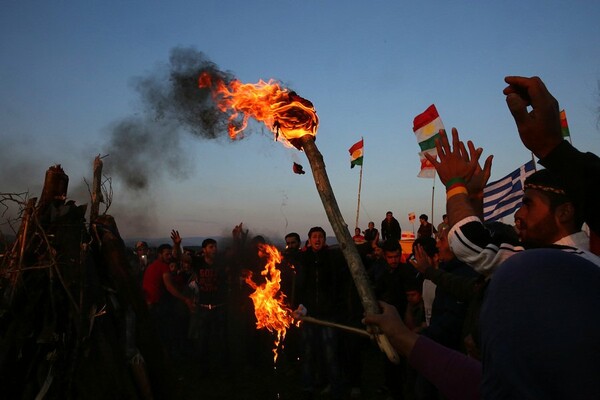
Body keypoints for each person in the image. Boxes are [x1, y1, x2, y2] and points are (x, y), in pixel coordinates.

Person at [294, 227, 347, 400]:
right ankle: (307, 386)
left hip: (328, 313)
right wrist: (298, 306)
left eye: (320, 237)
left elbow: (338, 284)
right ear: (309, 240)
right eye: (314, 237)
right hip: (308, 313)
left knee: (330, 352)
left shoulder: (332, 257)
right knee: (308, 351)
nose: (317, 239)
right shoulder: (303, 258)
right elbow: (299, 285)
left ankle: (335, 387)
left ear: (324, 240)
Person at [142, 231, 194, 359]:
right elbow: (170, 287)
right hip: (156, 306)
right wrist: (185, 299)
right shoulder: (162, 267)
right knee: (166, 334)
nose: (169, 256)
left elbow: (176, 257)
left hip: (151, 305)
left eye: (169, 253)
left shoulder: (155, 265)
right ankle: (169, 361)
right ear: (160, 255)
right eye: (167, 254)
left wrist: (177, 245)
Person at [187, 238, 230, 374]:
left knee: (221, 338)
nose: (214, 249)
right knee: (202, 339)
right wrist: (177, 245)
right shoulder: (198, 262)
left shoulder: (220, 262)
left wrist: (236, 238)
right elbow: (179, 256)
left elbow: (233, 254)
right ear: (204, 250)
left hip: (219, 307)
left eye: (215, 247)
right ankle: (203, 369)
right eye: (211, 247)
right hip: (203, 308)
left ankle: (222, 368)